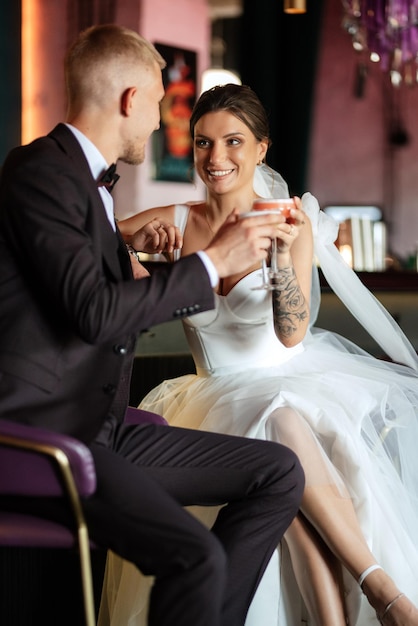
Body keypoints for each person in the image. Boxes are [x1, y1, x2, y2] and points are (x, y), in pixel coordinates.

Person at [0, 28, 306, 626]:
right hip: (51, 436)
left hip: (103, 427)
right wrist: (214, 261)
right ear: (129, 99)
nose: (161, 120)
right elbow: (93, 315)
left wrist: (127, 254)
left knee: (279, 471)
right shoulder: (41, 171)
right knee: (193, 560)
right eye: (161, 103)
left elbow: (84, 291)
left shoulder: (86, 186)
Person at [101, 83, 418, 626]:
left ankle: (375, 593)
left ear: (261, 148)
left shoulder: (287, 223)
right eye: (202, 143)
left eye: (232, 142)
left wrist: (277, 264)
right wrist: (130, 251)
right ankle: (379, 594)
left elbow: (293, 333)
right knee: (278, 440)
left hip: (287, 378)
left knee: (281, 420)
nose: (215, 158)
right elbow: (88, 240)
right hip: (211, 390)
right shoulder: (177, 220)